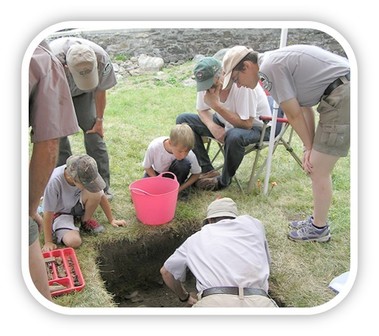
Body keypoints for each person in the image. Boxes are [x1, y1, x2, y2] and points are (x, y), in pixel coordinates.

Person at [222, 45, 350, 242]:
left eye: (236, 79)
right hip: (341, 91)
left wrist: (309, 148)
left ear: (247, 66)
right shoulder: (272, 62)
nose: (238, 85)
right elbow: (303, 107)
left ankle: (319, 229)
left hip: (343, 94)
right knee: (315, 163)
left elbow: (293, 114)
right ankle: (318, 221)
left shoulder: (269, 68)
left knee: (317, 169)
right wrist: (311, 145)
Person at [29, 41, 79, 300]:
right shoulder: (41, 59)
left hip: (67, 214)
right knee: (25, 237)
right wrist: (28, 210)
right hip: (56, 215)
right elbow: (49, 144)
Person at [176, 56, 272, 191]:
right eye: (204, 86)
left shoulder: (243, 84)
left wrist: (216, 106)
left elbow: (247, 124)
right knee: (183, 120)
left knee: (234, 136)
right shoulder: (206, 85)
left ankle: (223, 181)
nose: (209, 90)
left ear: (223, 73)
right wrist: (212, 126)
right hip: (225, 122)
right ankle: (207, 170)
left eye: (212, 85)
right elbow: (201, 110)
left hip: (258, 128)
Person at [160, 197, 278, 307]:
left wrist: (184, 297)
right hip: (260, 303)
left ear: (210, 220)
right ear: (234, 217)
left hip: (214, 303)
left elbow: (166, 272)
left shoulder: (195, 239)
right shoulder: (255, 225)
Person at [49, 37, 117, 200]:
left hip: (84, 95)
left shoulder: (101, 58)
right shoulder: (51, 61)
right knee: (58, 139)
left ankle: (103, 188)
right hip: (56, 94)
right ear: (66, 67)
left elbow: (100, 91)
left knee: (94, 133)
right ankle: (66, 188)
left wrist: (99, 121)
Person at [41, 154, 127, 252]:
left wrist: (112, 219)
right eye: (87, 184)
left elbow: (101, 195)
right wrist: (48, 241)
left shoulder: (87, 171)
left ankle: (85, 221)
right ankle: (65, 226)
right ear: (72, 178)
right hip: (61, 212)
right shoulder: (54, 182)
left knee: (96, 193)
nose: (91, 186)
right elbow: (47, 213)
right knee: (74, 241)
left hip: (76, 203)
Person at [142, 123, 201, 200]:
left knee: (184, 163)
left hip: (174, 177)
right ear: (170, 143)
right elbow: (147, 167)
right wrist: (156, 180)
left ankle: (176, 187)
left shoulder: (189, 154)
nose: (183, 155)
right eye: (180, 151)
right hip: (156, 174)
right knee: (144, 192)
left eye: (186, 151)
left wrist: (180, 188)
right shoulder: (154, 146)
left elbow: (196, 173)